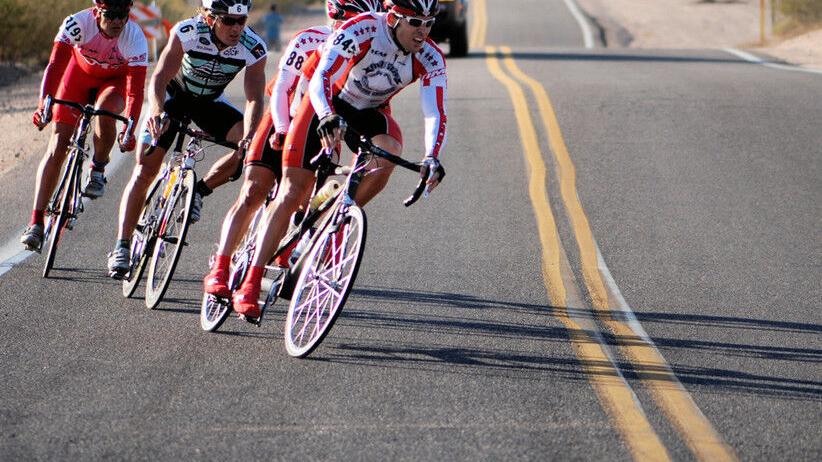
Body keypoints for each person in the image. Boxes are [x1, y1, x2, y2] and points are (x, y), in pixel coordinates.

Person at [231, 0, 447, 318]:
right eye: (416, 21)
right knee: (292, 192)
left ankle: (332, 225)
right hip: (327, 102)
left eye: (430, 22)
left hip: (368, 112)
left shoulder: (430, 56)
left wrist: (432, 156)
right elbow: (321, 78)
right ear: (393, 18)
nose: (424, 30)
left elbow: (435, 110)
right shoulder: (361, 30)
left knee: (390, 150)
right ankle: (250, 282)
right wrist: (327, 115)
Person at [203, 0, 385, 299]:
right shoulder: (310, 39)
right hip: (282, 119)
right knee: (253, 191)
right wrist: (284, 130)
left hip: (320, 129)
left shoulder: (367, 55)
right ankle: (220, 268)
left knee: (305, 200)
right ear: (334, 17)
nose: (357, 29)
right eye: (352, 20)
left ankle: (289, 252)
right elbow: (283, 88)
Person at [107, 0, 267, 278]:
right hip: (174, 97)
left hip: (210, 104)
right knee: (145, 167)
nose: (236, 28)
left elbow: (254, 98)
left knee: (250, 146)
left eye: (241, 21)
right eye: (228, 20)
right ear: (209, 18)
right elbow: (159, 77)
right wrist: (156, 111)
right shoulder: (188, 32)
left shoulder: (253, 46)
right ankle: (122, 246)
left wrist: (250, 136)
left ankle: (199, 192)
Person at [21, 0, 147, 252]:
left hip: (115, 81)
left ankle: (98, 167)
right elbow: (55, 66)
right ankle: (35, 222)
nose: (118, 22)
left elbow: (135, 90)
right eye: (111, 15)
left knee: (105, 109)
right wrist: (42, 105)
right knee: (58, 145)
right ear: (97, 12)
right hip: (78, 75)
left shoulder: (134, 36)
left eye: (123, 15)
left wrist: (129, 128)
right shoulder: (78, 23)